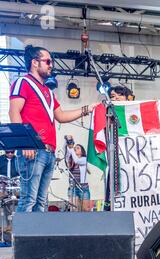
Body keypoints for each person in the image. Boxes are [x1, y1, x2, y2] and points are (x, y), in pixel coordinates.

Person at [9, 45, 97, 213]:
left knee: (41, 202)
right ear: (35, 63)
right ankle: (21, 240)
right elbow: (14, 111)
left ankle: (35, 239)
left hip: (49, 151)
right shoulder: (23, 82)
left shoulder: (48, 91)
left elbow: (61, 116)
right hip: (33, 149)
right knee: (29, 199)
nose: (51, 65)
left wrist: (87, 109)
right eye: (48, 61)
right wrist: (25, 144)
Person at [65, 135, 91, 212]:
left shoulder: (84, 159)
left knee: (85, 210)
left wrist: (72, 149)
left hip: (83, 187)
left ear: (82, 151)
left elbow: (76, 160)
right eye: (75, 148)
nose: (75, 149)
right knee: (73, 209)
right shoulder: (70, 160)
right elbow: (66, 149)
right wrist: (67, 140)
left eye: (78, 148)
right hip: (73, 187)